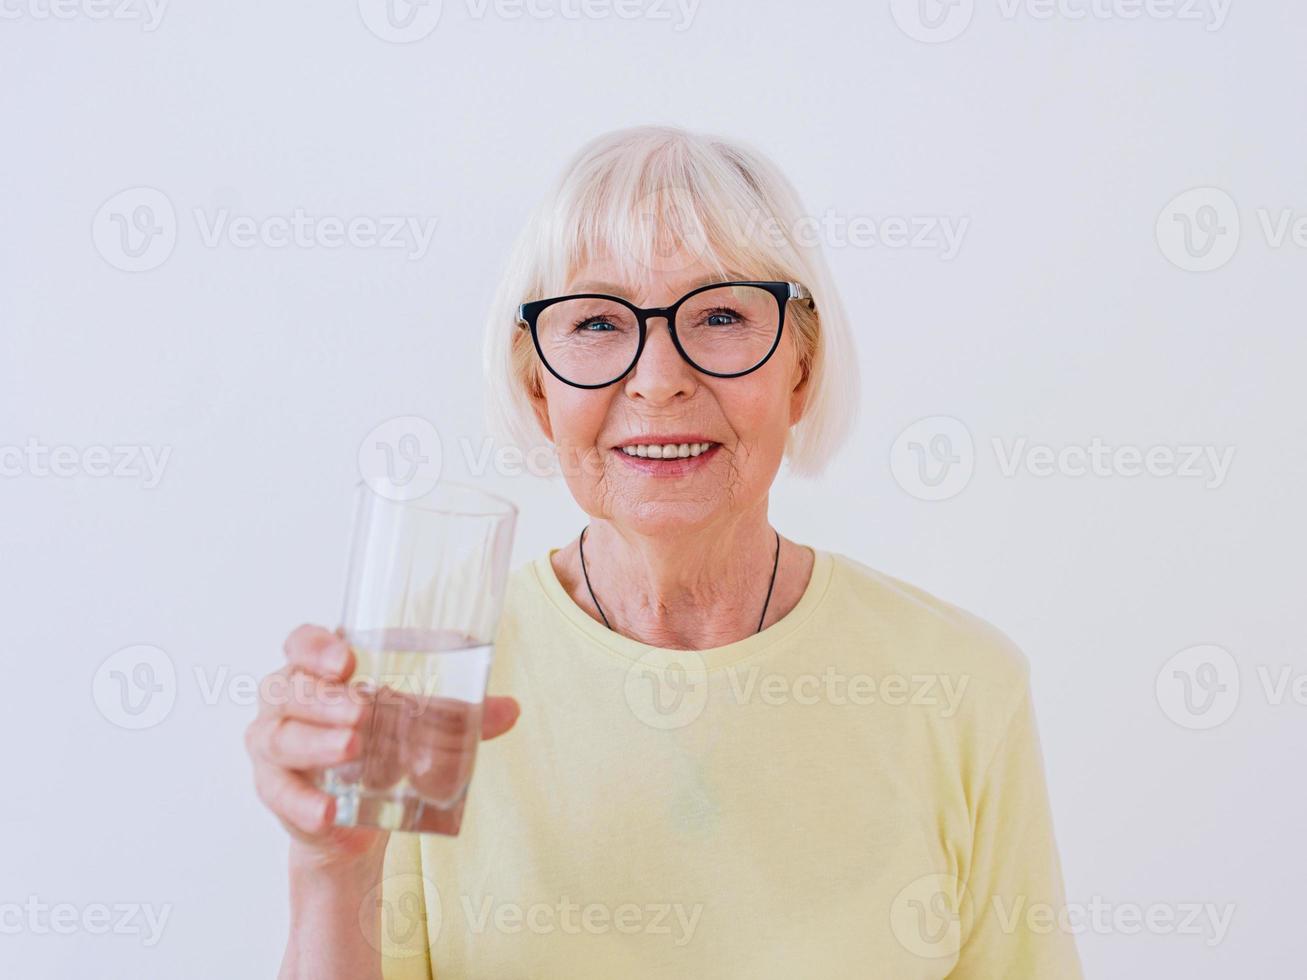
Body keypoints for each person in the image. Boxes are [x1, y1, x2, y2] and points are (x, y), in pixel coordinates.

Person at [245, 124, 1083, 979]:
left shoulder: (961, 683)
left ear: (800, 366)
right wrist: (330, 869)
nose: (656, 378)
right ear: (536, 384)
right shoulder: (420, 691)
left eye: (720, 314)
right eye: (597, 322)